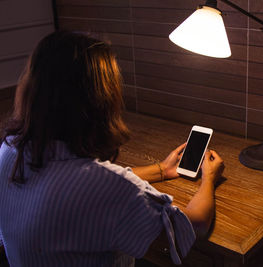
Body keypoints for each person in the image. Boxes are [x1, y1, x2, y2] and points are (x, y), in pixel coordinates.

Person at [0, 31, 224, 266]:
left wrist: (161, 169)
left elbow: (73, 185)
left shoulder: (9, 152)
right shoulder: (108, 189)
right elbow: (194, 225)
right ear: (100, 99)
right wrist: (209, 178)